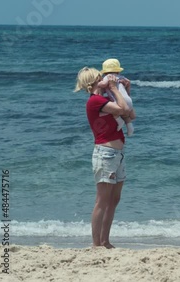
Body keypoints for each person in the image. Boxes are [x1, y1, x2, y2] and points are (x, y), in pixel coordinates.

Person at [74, 66, 131, 249]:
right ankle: (96, 243)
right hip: (105, 154)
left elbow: (128, 111)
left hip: (117, 154)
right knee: (102, 200)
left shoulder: (104, 100)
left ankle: (105, 241)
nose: (107, 78)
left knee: (114, 199)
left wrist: (125, 91)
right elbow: (122, 109)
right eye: (102, 77)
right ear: (94, 82)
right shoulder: (95, 101)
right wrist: (114, 88)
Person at [97, 58, 136, 136]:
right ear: (118, 71)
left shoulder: (108, 77)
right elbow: (128, 81)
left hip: (119, 101)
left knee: (114, 112)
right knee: (126, 116)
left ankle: (119, 121)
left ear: (105, 72)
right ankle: (130, 127)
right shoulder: (121, 77)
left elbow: (104, 84)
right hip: (128, 100)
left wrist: (97, 83)